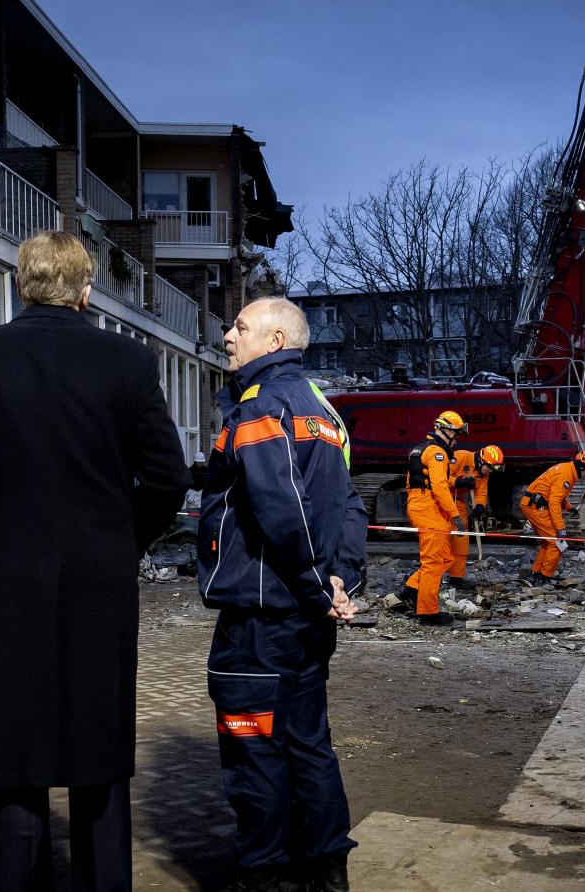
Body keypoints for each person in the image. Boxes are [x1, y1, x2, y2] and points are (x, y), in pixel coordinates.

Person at [0, 231, 190, 892]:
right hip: (100, 583)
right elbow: (168, 479)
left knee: (17, 757)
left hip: (4, 582)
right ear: (85, 290)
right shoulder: (128, 361)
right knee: (100, 753)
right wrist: (126, 541)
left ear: (22, 284)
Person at [197, 296, 364, 892]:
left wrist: (321, 582)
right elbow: (348, 504)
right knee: (309, 744)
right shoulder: (325, 412)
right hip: (308, 616)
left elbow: (281, 509)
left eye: (240, 326)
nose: (227, 334)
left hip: (262, 619)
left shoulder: (262, 407)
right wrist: (343, 578)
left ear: (274, 341)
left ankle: (263, 874)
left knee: (255, 752)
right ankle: (325, 871)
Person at [402, 411, 469, 626]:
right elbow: (439, 486)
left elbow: (428, 479)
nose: (456, 439)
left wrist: (457, 482)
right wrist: (455, 514)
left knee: (446, 558)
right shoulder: (437, 452)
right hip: (428, 507)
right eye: (456, 434)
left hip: (421, 504)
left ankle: (412, 589)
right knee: (433, 562)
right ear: (446, 430)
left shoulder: (422, 448)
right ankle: (428, 612)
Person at [520, 449, 585, 585]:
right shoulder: (566, 474)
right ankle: (544, 576)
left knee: (549, 542)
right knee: (556, 543)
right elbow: (554, 501)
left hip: (534, 504)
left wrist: (570, 508)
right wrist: (561, 529)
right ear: (582, 466)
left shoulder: (568, 471)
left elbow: (558, 496)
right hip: (535, 506)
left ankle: (536, 573)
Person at [445, 444, 504, 588]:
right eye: (489, 468)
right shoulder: (461, 457)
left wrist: (479, 506)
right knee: (441, 539)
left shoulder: (483, 473)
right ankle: (433, 576)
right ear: (481, 461)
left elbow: (481, 492)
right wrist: (459, 481)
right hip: (440, 500)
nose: (489, 471)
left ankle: (456, 577)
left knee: (461, 539)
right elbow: (441, 477)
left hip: (457, 502)